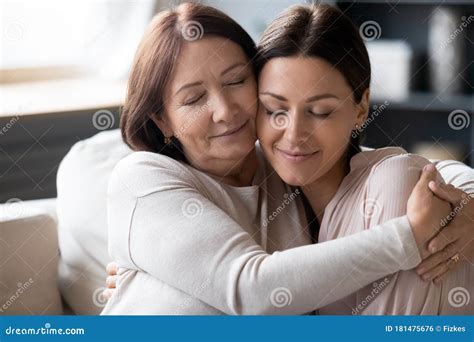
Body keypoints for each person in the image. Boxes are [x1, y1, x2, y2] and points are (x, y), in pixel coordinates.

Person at [101, 3, 473, 315]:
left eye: (235, 82)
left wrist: (468, 206)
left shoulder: (281, 169)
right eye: (195, 98)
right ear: (161, 119)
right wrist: (408, 236)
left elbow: (402, 168)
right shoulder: (144, 178)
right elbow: (253, 288)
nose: (226, 110)